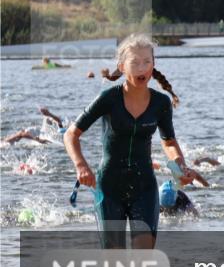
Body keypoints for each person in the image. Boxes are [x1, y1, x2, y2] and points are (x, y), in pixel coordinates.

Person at [63, 34, 199, 249]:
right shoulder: (108, 99)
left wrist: (181, 166)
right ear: (122, 66)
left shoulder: (161, 103)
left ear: (154, 65)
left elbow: (169, 142)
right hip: (109, 187)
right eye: (134, 62)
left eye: (147, 61)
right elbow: (71, 134)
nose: (141, 68)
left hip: (144, 187)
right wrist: (81, 166)